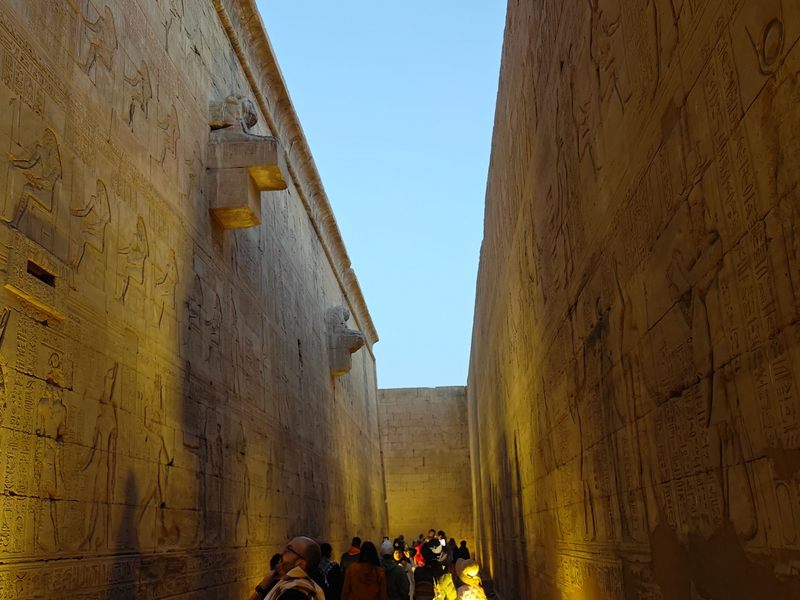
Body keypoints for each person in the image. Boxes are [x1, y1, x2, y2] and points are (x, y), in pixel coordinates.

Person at [249, 536, 325, 600]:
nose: (282, 553)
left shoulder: (295, 593)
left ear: (301, 563)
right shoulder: (285, 585)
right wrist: (263, 587)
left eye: (289, 550)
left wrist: (262, 587)